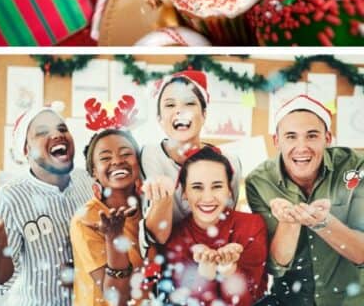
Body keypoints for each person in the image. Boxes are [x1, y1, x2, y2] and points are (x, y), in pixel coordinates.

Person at [246, 94, 364, 306]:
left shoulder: (354, 170)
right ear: (276, 141)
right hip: (290, 300)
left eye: (312, 136)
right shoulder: (260, 181)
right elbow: (276, 266)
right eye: (291, 136)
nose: (302, 147)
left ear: (327, 139)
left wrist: (323, 223)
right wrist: (288, 222)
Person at [0, 103, 92, 306]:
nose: (58, 135)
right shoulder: (9, 198)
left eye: (62, 129)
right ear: (26, 149)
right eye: (42, 132)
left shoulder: (89, 182)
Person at [140, 71, 242, 249]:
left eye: (189, 103)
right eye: (170, 105)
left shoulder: (229, 161)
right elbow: (158, 235)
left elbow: (228, 221)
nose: (180, 110)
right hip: (166, 260)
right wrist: (164, 198)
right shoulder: (149, 155)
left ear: (204, 115)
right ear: (159, 119)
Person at [70, 96, 153, 306]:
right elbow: (116, 297)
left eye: (126, 153)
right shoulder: (86, 219)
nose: (117, 161)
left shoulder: (151, 206)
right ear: (94, 172)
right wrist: (114, 237)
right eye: (105, 158)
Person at [162, 146, 268, 305]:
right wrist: (205, 273)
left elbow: (249, 300)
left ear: (229, 190)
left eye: (217, 186)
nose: (208, 197)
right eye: (197, 187)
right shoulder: (175, 237)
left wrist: (229, 270)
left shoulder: (252, 226)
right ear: (184, 192)